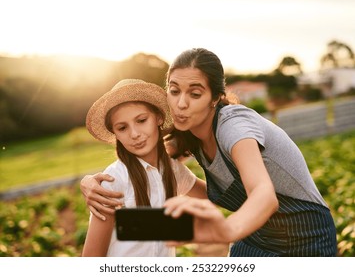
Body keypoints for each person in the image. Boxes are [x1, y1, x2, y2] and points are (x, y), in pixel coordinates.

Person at [80, 48, 337, 257]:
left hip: (305, 235)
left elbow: (264, 195)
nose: (181, 103)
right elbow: (146, 158)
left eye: (195, 93)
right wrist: (90, 182)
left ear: (215, 97)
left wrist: (225, 230)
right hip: (257, 234)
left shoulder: (234, 126)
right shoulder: (187, 133)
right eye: (174, 90)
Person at [81, 79, 206, 257]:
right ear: (115, 133)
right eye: (122, 128)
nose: (134, 134)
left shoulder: (174, 170)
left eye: (141, 120)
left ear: (159, 117)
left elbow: (215, 196)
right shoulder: (112, 181)